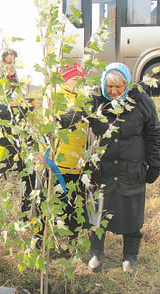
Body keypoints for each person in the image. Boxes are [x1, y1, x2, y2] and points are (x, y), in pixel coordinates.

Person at [87, 62, 160, 275]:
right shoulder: (95, 101)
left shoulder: (142, 102)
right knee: (97, 213)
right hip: (102, 170)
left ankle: (130, 257)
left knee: (131, 214)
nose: (113, 92)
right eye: (109, 87)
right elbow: (76, 114)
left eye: (118, 87)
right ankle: (96, 253)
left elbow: (154, 134)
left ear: (127, 85)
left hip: (132, 169)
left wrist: (155, 164)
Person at [0, 49, 36, 224]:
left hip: (19, 140)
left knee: (30, 175)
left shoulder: (18, 83)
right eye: (8, 63)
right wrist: (11, 107)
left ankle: (25, 216)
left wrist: (28, 107)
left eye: (13, 62)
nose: (11, 67)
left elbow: (23, 113)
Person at [57, 63, 88, 241]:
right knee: (58, 202)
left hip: (79, 163)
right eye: (76, 79)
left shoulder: (85, 98)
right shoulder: (57, 98)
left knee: (75, 206)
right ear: (66, 79)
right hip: (60, 163)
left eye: (81, 79)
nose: (79, 83)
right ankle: (50, 239)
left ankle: (72, 241)